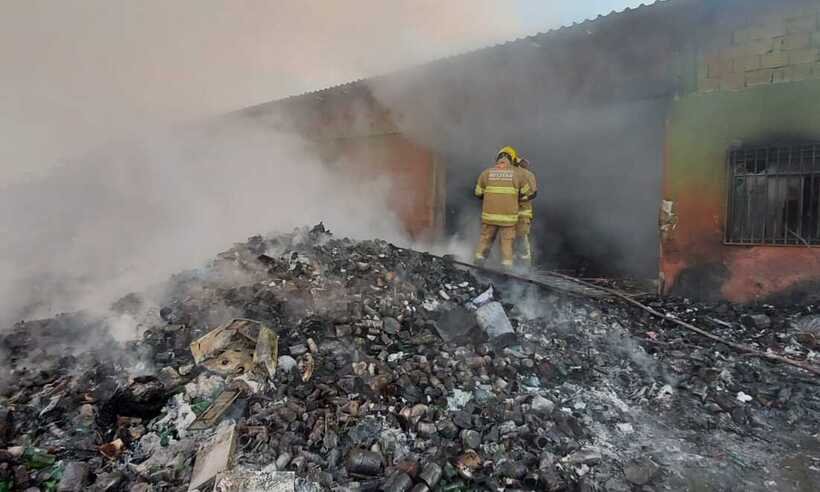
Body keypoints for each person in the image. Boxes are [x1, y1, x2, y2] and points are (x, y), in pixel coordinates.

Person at [474, 146, 531, 268]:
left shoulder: (486, 173)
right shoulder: (518, 175)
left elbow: (478, 193)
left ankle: (478, 264)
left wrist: (490, 198)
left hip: (489, 216)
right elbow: (527, 194)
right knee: (507, 243)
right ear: (512, 159)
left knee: (485, 240)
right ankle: (507, 269)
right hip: (508, 218)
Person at [514, 157, 538, 267]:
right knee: (522, 238)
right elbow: (533, 193)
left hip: (512, 212)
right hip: (523, 213)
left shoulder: (512, 174)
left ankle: (515, 263)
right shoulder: (529, 175)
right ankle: (524, 265)